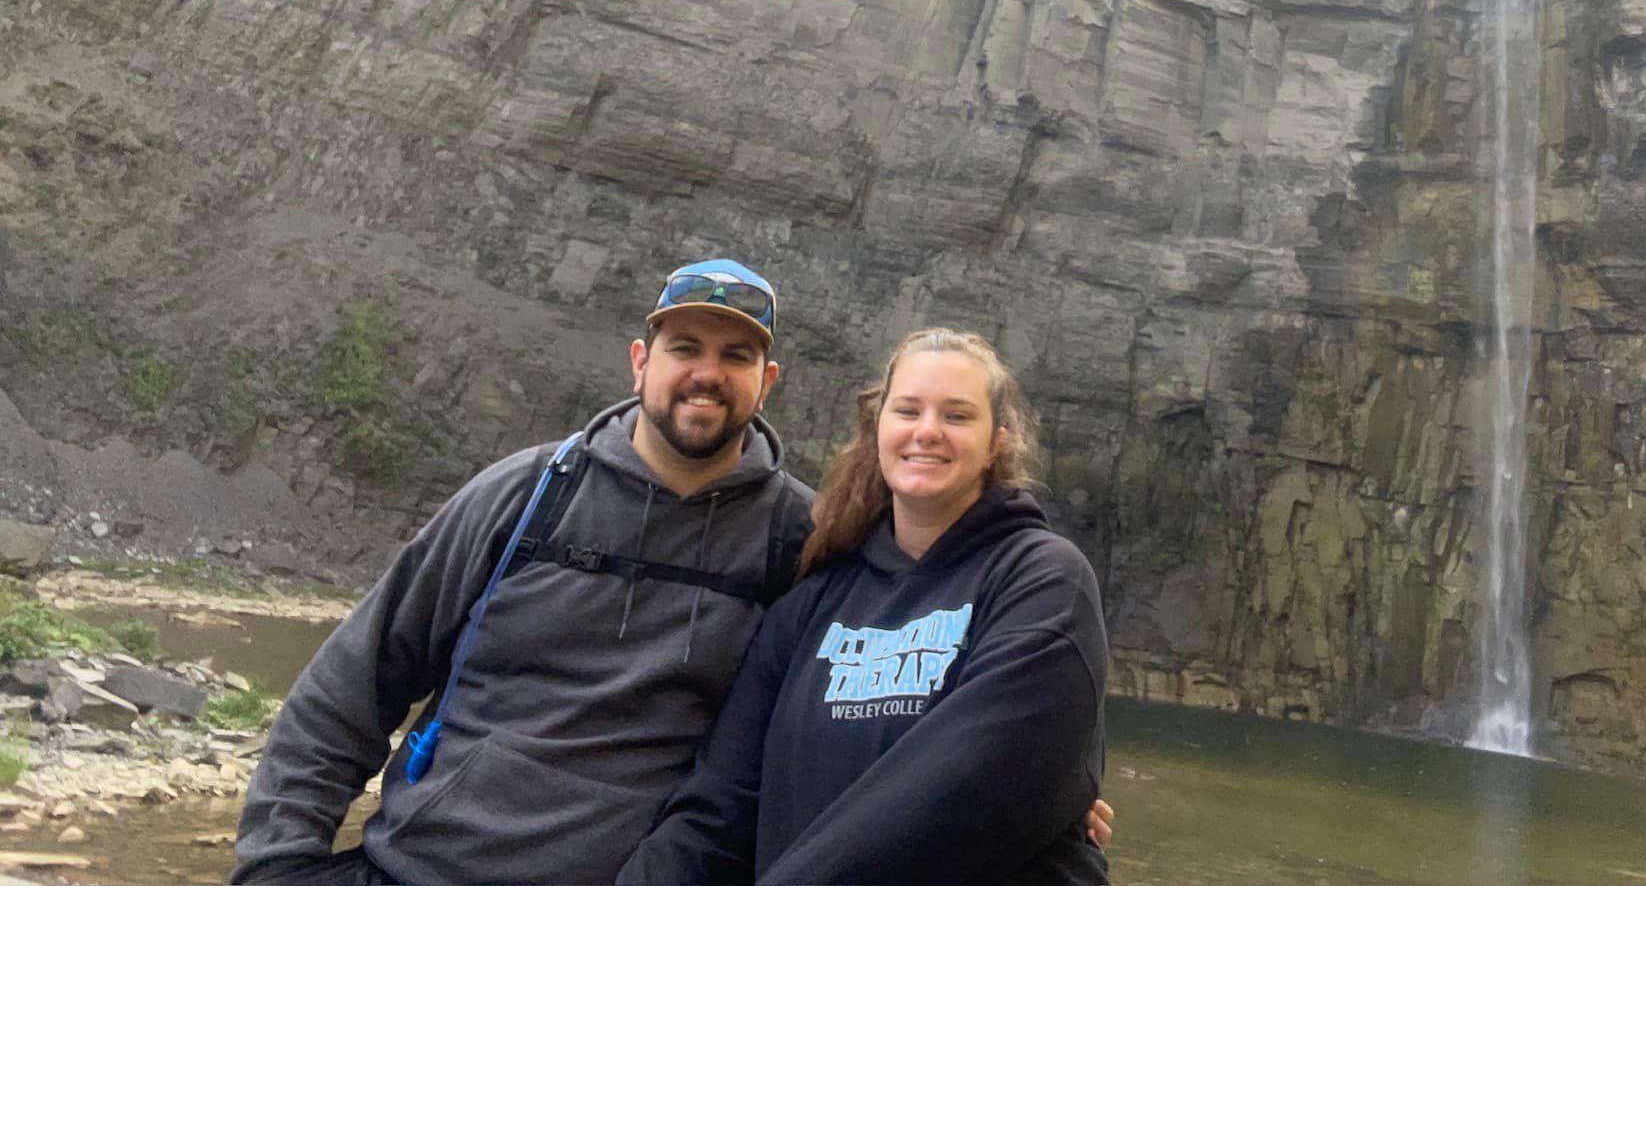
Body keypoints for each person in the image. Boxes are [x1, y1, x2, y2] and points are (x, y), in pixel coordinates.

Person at [231, 259, 815, 885]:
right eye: (685, 348)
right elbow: (350, 688)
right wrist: (277, 866)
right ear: (641, 362)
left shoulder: (798, 537)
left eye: (735, 356)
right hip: (420, 873)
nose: (707, 373)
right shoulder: (528, 495)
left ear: (766, 382)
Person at [619, 327, 1110, 885]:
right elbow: (718, 807)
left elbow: (972, 786)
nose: (927, 431)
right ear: (879, 427)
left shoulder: (1043, 581)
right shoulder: (811, 602)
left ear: (996, 441)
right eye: (908, 410)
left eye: (956, 415)